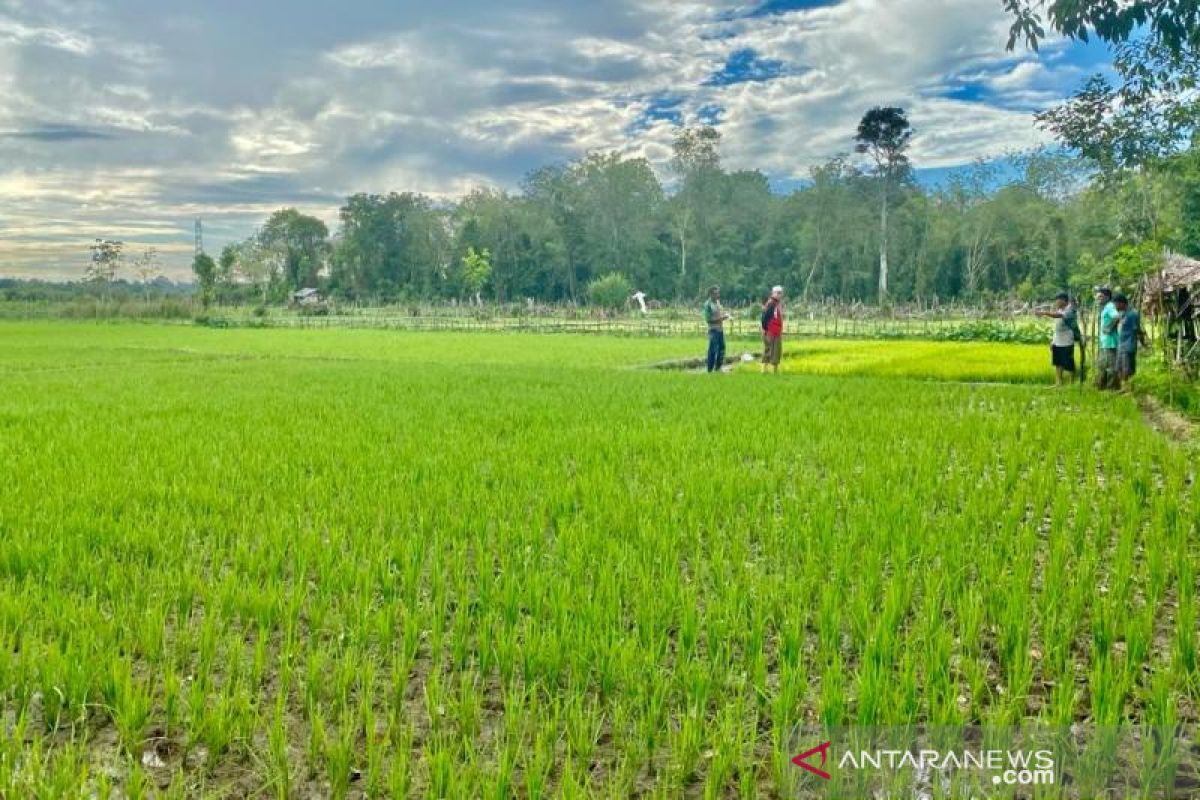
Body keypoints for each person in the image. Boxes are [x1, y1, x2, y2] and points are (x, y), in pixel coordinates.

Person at [1035, 292, 1081, 387]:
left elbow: (1058, 315)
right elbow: (1057, 328)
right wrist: (1053, 341)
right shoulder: (1060, 309)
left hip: (1067, 341)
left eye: (1057, 300)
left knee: (1069, 363)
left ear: (1064, 300)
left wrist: (1044, 313)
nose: (1056, 302)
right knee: (1058, 363)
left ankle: (1071, 384)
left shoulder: (1070, 309)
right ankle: (1058, 383)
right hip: (1058, 341)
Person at [1114, 294, 1149, 389]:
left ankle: (1128, 388)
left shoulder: (1132, 314)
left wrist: (1143, 344)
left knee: (1127, 369)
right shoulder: (1122, 314)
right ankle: (1124, 387)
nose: (1115, 306)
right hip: (1121, 345)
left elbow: (1137, 330)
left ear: (1121, 303)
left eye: (1116, 304)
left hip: (1128, 346)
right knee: (1119, 368)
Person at [703, 285, 730, 373]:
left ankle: (718, 367)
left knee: (722, 348)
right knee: (713, 350)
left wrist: (725, 315)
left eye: (718, 293)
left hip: (720, 329)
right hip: (713, 330)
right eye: (715, 293)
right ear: (711, 294)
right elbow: (708, 320)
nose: (718, 295)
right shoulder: (708, 305)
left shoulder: (717, 302)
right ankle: (710, 369)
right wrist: (722, 318)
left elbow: (719, 313)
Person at [1095, 287, 1119, 390]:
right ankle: (1102, 386)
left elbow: (1116, 316)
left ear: (1107, 297)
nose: (1098, 298)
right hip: (1105, 342)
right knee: (1103, 365)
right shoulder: (1105, 307)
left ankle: (1111, 388)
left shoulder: (1109, 306)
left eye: (1101, 296)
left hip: (1110, 342)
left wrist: (1109, 328)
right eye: (1097, 296)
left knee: (1111, 366)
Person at [760, 285, 784, 374]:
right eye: (778, 293)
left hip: (774, 331)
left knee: (771, 350)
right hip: (772, 331)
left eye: (780, 293)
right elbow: (765, 317)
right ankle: (772, 371)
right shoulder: (772, 304)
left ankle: (766, 371)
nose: (779, 295)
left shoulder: (775, 303)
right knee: (773, 351)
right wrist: (765, 329)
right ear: (774, 293)